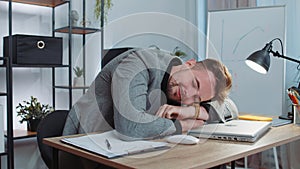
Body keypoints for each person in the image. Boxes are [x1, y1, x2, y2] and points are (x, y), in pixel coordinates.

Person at [62, 48, 238, 140]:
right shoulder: (141, 61)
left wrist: (193, 111)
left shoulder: (182, 90)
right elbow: (130, 127)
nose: (187, 95)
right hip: (85, 144)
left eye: (197, 98)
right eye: (194, 83)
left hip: (128, 151)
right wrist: (185, 124)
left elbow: (232, 108)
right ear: (190, 63)